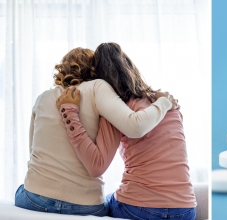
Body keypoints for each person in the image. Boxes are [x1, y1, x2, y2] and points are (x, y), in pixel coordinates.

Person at [15, 47, 178, 216]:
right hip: (85, 204)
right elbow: (133, 126)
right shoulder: (98, 88)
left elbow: (33, 152)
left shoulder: (42, 97)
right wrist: (164, 102)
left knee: (22, 189)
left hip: (35, 198)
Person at [56, 43, 197, 220]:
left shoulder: (117, 110)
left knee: (103, 203)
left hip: (139, 208)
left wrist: (70, 114)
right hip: (185, 209)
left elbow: (96, 166)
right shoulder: (169, 105)